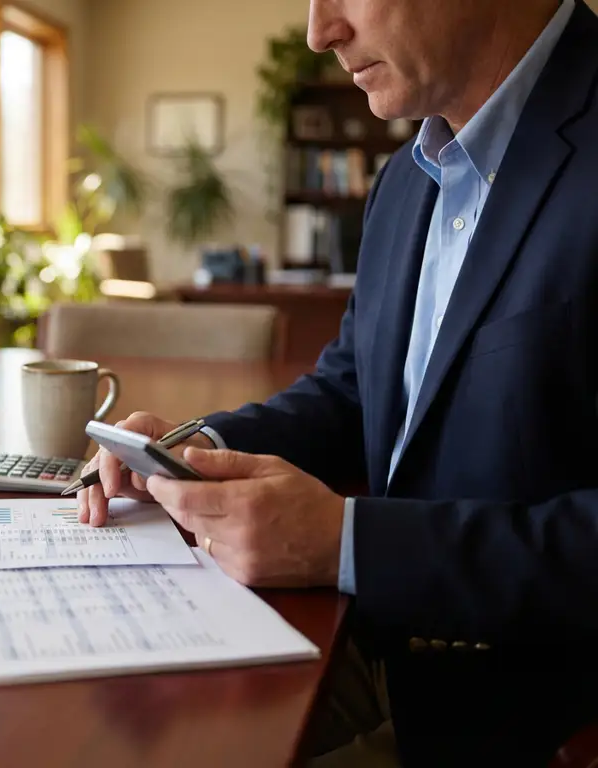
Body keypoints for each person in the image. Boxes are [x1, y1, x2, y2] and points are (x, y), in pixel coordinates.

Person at [76, 0, 598, 765]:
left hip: (537, 717)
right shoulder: (404, 183)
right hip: (372, 649)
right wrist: (198, 449)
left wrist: (347, 545)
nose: (322, 32)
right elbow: (353, 391)